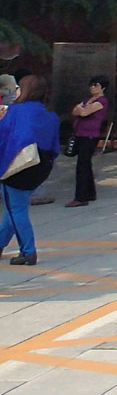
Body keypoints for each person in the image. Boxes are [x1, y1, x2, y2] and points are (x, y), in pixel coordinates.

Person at [0, 75, 59, 265]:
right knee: (16, 207)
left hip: (16, 166)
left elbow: (4, 136)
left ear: (25, 90)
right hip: (40, 166)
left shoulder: (15, 111)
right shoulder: (48, 113)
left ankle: (28, 251)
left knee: (16, 209)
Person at [65, 76, 108, 208]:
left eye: (96, 85)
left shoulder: (102, 101)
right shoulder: (87, 99)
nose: (92, 87)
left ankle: (81, 197)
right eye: (91, 85)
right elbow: (75, 111)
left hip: (90, 135)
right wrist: (81, 109)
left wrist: (81, 109)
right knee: (85, 164)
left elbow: (83, 112)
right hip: (80, 133)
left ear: (103, 87)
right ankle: (89, 193)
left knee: (82, 165)